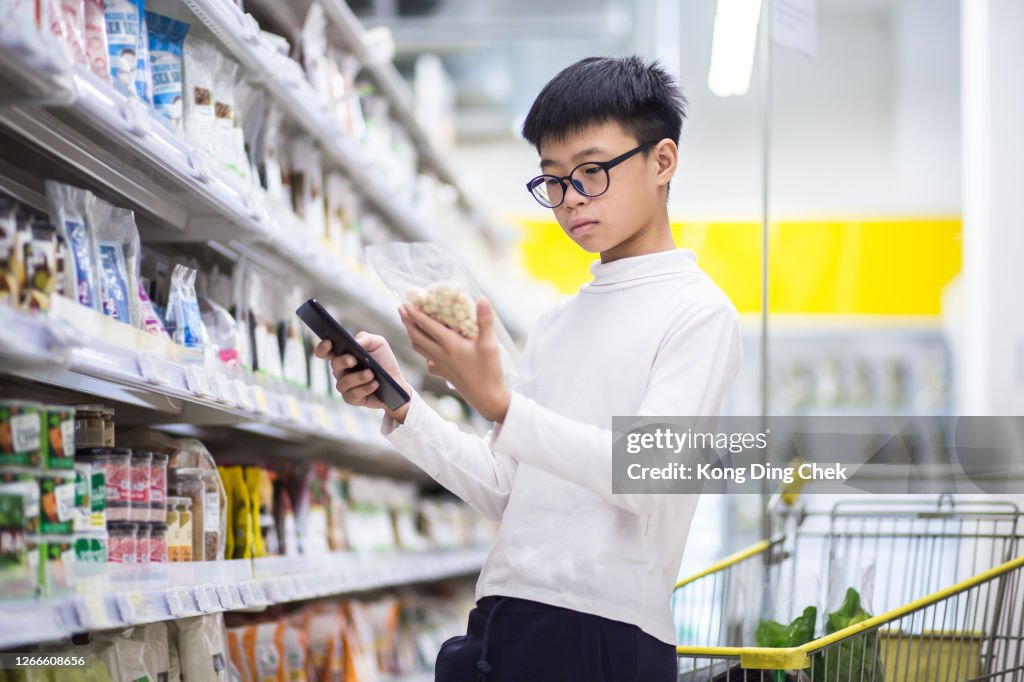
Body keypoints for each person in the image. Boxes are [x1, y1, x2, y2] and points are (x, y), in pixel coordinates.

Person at [315, 55, 743, 682]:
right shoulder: (558, 322)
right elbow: (508, 490)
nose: (570, 200)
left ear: (662, 162)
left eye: (591, 172)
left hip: (603, 632)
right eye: (553, 180)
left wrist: (503, 406)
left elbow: (646, 477)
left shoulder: (699, 313)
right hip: (500, 619)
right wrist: (402, 403)